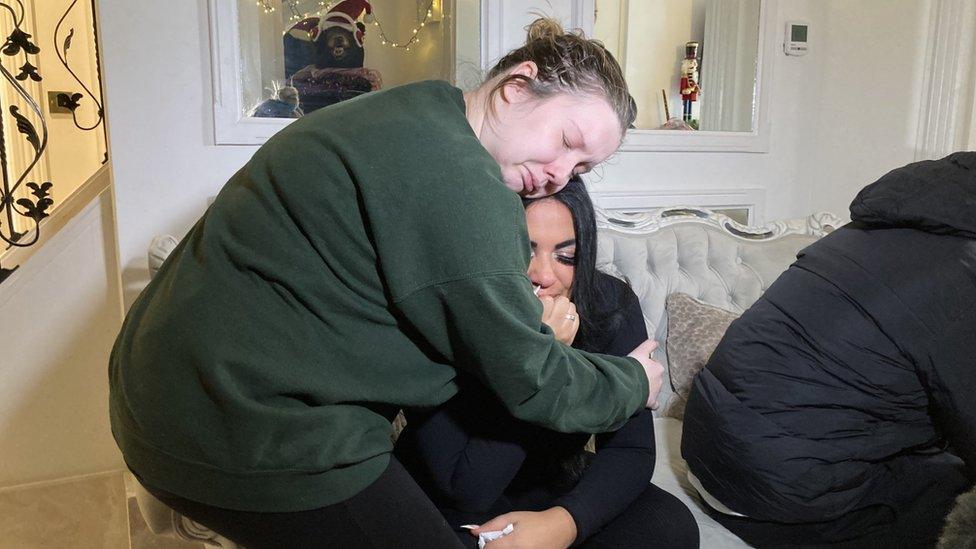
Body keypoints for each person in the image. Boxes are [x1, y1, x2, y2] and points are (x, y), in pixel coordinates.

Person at [109, 18, 664, 548]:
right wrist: (634, 380)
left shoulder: (419, 110)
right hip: (248, 428)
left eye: (583, 169)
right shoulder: (459, 183)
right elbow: (532, 378)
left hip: (169, 399)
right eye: (567, 140)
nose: (559, 176)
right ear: (517, 87)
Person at [681, 152, 976, 548]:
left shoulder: (868, 231)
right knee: (950, 485)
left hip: (704, 457)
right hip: (771, 498)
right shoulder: (960, 271)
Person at [395, 177, 700, 548]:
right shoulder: (444, 309)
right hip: (454, 487)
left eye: (566, 257)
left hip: (549, 479)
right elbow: (468, 488)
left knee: (668, 526)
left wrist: (565, 523)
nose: (543, 276)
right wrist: (541, 355)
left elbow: (630, 450)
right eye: (523, 251)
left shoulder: (609, 303)